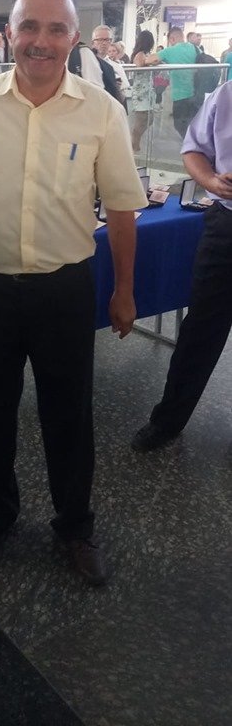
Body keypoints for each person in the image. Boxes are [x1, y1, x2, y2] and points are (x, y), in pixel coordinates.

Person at [0, 0, 147, 585]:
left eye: (56, 29)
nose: (41, 41)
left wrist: (124, 291)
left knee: (69, 413)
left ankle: (75, 526)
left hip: (64, 288)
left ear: (74, 38)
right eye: (29, 27)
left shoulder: (102, 111)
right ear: (10, 32)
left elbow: (121, 207)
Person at [132, 82, 232, 452]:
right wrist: (210, 181)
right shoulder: (226, 95)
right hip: (227, 224)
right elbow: (194, 149)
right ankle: (168, 420)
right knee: (201, 328)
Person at [144, 27, 198, 138]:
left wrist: (159, 61)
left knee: (180, 126)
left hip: (180, 96)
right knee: (193, 126)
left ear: (172, 39)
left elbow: (149, 60)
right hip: (196, 95)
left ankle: (190, 146)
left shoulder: (171, 50)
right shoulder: (195, 48)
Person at [129, 30, 155, 153]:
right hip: (141, 92)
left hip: (147, 90)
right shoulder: (140, 54)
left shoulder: (146, 54)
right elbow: (139, 64)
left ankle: (135, 143)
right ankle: (133, 145)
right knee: (141, 118)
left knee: (149, 118)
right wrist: (149, 62)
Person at [92, 25, 131, 99]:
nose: (104, 43)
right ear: (93, 42)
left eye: (107, 40)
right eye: (100, 40)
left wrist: (117, 88)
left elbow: (123, 96)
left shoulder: (116, 67)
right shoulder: (86, 64)